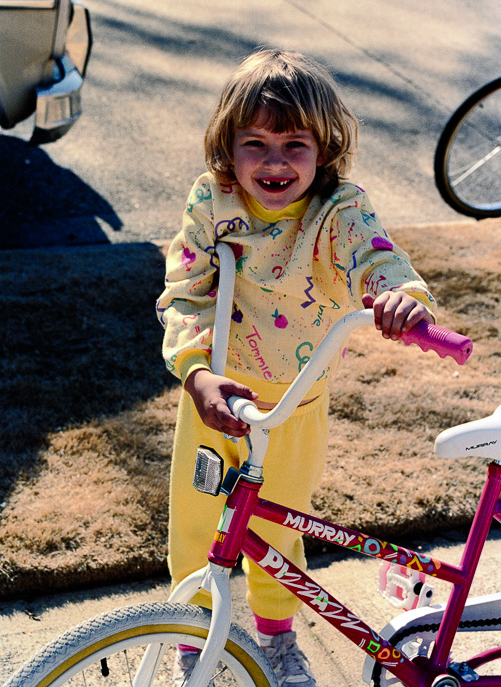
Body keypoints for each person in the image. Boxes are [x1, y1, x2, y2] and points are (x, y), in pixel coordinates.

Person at [156, 48, 436, 687]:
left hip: (296, 402)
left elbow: (377, 257)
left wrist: (400, 295)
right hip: (217, 395)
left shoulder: (339, 210)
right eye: (254, 143)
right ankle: (193, 638)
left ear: (325, 148)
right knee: (198, 523)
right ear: (227, 147)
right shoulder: (213, 199)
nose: (275, 162)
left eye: (294, 144)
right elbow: (186, 292)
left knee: (278, 525)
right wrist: (197, 376)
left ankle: (278, 640)